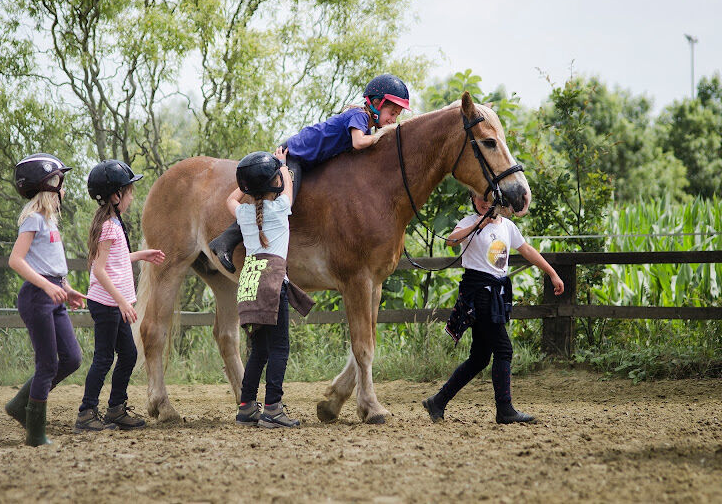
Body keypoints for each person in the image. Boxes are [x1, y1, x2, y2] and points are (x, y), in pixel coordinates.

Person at [210, 74, 412, 273]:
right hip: (293, 156)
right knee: (283, 202)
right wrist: (387, 133)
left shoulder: (366, 128)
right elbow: (358, 143)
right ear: (376, 103)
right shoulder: (359, 117)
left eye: (397, 116)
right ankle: (225, 240)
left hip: (311, 162)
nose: (393, 120)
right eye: (392, 113)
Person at [422, 191, 565, 424]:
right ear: (472, 199)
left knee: (479, 358)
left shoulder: (507, 226)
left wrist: (552, 273)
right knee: (504, 349)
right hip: (479, 293)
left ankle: (438, 401)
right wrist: (480, 222)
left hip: (495, 293)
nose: (483, 202)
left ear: (496, 200)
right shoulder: (469, 222)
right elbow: (451, 240)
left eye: (487, 198)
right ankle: (505, 409)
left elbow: (526, 249)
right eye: (478, 198)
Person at [74, 160, 165, 432]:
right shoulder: (110, 226)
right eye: (128, 191)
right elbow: (99, 271)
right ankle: (86, 412)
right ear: (115, 196)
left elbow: (115, 260)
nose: (131, 196)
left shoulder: (112, 223)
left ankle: (115, 408)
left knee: (127, 355)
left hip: (114, 304)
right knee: (104, 358)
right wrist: (123, 301)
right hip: (107, 304)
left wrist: (141, 255)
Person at [229, 149, 314, 429]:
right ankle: (273, 409)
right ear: (273, 183)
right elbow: (288, 184)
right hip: (271, 284)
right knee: (280, 348)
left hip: (250, 283)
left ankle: (246, 406)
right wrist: (283, 162)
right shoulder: (279, 210)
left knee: (260, 350)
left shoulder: (242, 212)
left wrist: (245, 186)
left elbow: (230, 198)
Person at [6, 153, 86, 447]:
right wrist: (47, 286)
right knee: (47, 366)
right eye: (59, 183)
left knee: (72, 359)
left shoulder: (51, 221)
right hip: (37, 297)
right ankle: (35, 432)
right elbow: (16, 260)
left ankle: (20, 404)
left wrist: (66, 287)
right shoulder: (33, 221)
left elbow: (50, 264)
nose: (63, 189)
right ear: (48, 186)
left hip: (54, 294)